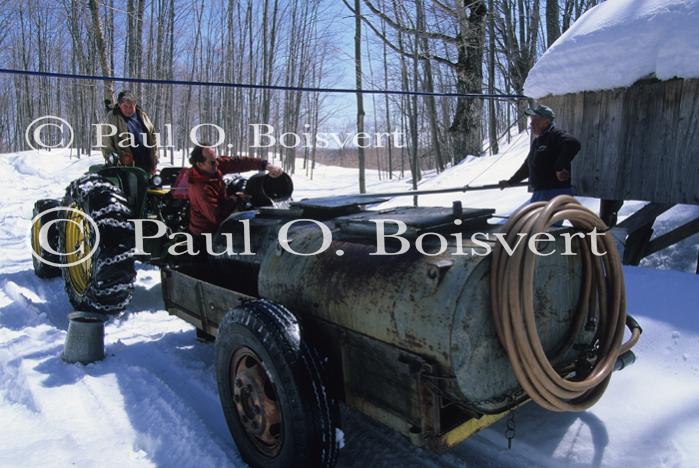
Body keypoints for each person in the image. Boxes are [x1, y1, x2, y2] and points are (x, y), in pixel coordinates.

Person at [187, 144, 283, 235]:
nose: (217, 164)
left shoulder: (213, 167)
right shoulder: (200, 188)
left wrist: (266, 165)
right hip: (205, 234)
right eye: (212, 162)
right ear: (200, 164)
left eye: (216, 159)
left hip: (219, 225)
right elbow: (218, 216)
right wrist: (236, 198)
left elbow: (239, 162)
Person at [499, 105, 581, 202]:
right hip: (540, 193)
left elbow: (573, 143)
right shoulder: (537, 142)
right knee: (531, 217)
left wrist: (559, 167)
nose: (531, 123)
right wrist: (511, 182)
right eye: (531, 119)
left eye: (535, 119)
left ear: (546, 121)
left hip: (556, 193)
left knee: (545, 217)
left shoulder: (555, 135)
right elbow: (528, 166)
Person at [99, 90, 159, 174]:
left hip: (146, 165)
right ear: (119, 105)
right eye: (125, 106)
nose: (128, 109)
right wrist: (116, 160)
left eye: (131, 106)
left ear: (135, 104)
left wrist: (154, 160)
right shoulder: (112, 116)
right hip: (126, 168)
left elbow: (153, 138)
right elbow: (106, 144)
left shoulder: (142, 115)